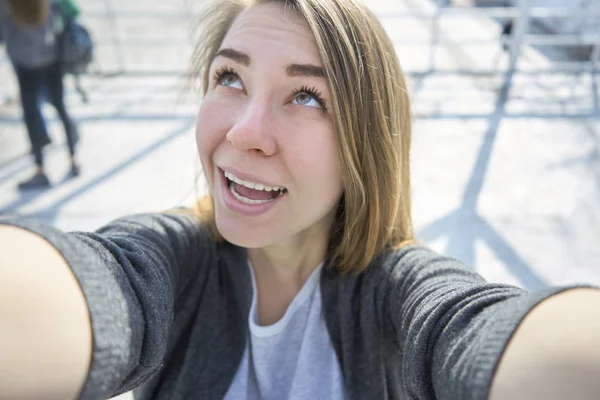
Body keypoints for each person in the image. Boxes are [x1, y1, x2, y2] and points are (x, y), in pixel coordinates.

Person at [1, 0, 599, 399]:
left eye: (306, 96)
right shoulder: (171, 259)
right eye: (229, 79)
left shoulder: (397, 291)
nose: (243, 133)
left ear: (366, 140)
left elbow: (473, 329)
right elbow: (101, 283)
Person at [0, 0, 80, 190]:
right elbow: (72, 11)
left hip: (25, 63)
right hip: (52, 57)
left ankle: (40, 170)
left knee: (31, 114)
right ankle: (73, 160)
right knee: (61, 107)